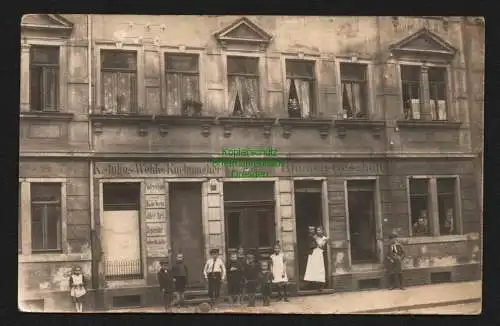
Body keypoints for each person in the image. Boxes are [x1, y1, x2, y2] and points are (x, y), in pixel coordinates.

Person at [304, 226, 328, 291]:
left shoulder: (324, 238)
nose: (318, 231)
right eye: (317, 230)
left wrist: (316, 239)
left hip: (319, 254)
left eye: (319, 230)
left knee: (320, 268)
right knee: (312, 269)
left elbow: (321, 246)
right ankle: (312, 284)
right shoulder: (314, 237)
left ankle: (321, 285)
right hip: (313, 253)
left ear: (323, 231)